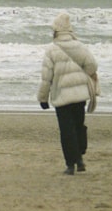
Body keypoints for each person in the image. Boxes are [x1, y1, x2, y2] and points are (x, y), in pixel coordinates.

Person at [37, 13, 99, 175]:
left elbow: (46, 77)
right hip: (79, 96)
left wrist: (43, 98)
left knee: (66, 130)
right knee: (79, 126)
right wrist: (81, 75)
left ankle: (71, 164)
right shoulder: (79, 46)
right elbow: (92, 66)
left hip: (61, 97)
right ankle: (80, 158)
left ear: (56, 30)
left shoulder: (51, 50)